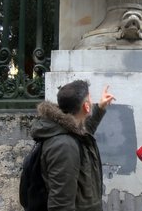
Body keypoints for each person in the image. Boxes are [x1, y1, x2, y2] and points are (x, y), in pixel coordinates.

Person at [30, 80, 115, 211]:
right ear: (86, 106)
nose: (92, 102)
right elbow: (60, 205)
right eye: (90, 99)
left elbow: (85, 132)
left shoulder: (68, 130)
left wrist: (101, 107)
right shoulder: (64, 146)